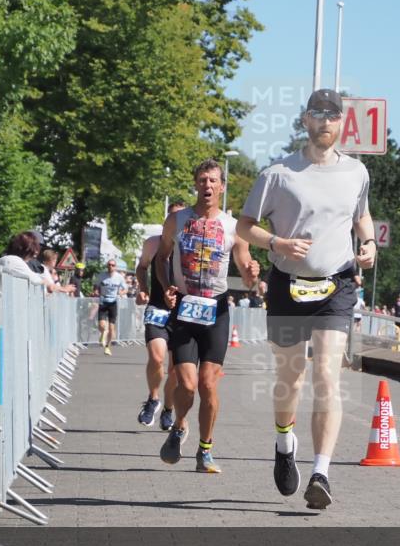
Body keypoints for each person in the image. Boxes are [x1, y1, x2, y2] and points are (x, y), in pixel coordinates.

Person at [237, 88, 375, 510]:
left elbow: (361, 215)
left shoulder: (357, 173)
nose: (326, 123)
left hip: (336, 286)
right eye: (318, 114)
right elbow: (245, 227)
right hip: (288, 285)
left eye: (333, 116)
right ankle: (283, 443)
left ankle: (321, 473)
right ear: (305, 121)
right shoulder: (278, 173)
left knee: (328, 378)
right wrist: (277, 242)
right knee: (290, 379)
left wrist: (368, 243)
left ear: (340, 123)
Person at [156, 159, 259, 473]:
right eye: (202, 180)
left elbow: (244, 264)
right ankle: (179, 426)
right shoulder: (176, 220)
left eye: (213, 181)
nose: (208, 186)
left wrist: (253, 274)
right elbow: (162, 258)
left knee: (208, 385)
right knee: (186, 386)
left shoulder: (233, 226)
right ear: (195, 184)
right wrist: (166, 287)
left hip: (216, 310)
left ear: (222, 186)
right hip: (186, 308)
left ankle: (205, 450)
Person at [134, 200, 188, 430]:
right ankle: (153, 399)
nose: (173, 222)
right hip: (157, 306)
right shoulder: (153, 243)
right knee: (156, 358)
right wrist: (143, 288)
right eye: (171, 217)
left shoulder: (190, 246)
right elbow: (142, 266)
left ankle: (168, 408)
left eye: (179, 218)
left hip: (182, 312)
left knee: (175, 369)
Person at [0, 233, 75, 294]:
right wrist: (65, 289)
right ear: (27, 250)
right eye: (32, 253)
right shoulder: (14, 261)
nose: (33, 257)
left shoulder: (1, 260)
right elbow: (44, 284)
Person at [96, 259, 126, 355]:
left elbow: (126, 288)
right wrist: (96, 291)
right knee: (101, 325)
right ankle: (103, 333)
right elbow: (96, 286)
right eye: (109, 265)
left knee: (112, 328)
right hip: (103, 301)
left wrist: (121, 292)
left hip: (113, 302)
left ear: (115, 267)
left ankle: (108, 347)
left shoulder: (119, 277)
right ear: (107, 266)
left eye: (113, 265)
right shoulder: (101, 276)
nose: (111, 266)